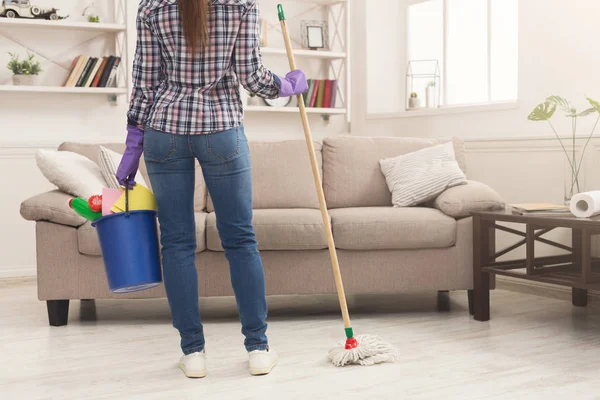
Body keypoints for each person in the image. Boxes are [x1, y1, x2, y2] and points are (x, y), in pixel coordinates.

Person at [116, 0, 308, 378]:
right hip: (222, 130)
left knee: (175, 243)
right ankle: (257, 348)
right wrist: (285, 85)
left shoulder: (152, 6)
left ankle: (193, 353)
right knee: (240, 239)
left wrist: (133, 140)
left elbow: (145, 81)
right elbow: (251, 76)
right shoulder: (241, 5)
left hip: (164, 131)